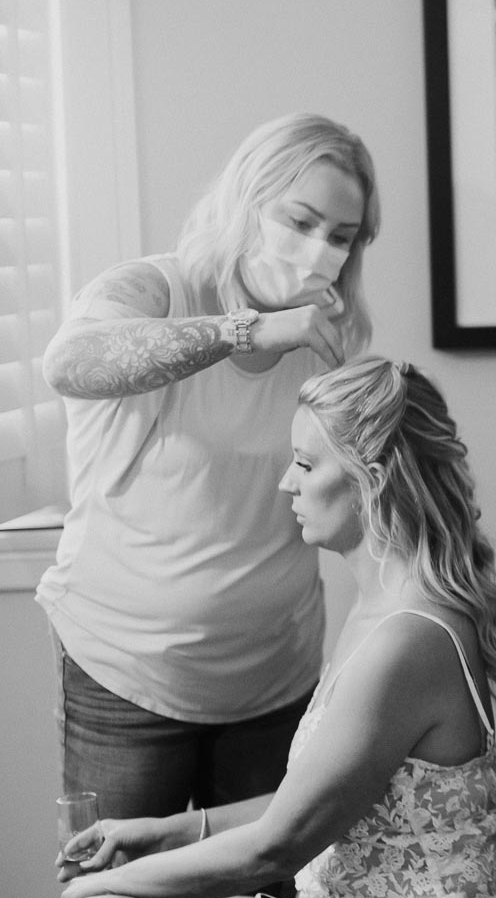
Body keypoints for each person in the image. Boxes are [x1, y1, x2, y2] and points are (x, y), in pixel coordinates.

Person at [28, 356, 496, 898]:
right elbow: (308, 799)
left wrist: (100, 881)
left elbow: (276, 847)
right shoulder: (378, 606)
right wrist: (153, 833)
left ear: (369, 479)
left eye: (304, 464)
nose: (284, 483)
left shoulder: (407, 640)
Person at [36, 113, 381, 823]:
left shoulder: (332, 331)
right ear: (248, 200)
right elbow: (68, 363)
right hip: (126, 674)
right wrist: (245, 328)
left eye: (340, 237)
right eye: (301, 220)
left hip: (274, 677)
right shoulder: (154, 290)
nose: (318, 250)